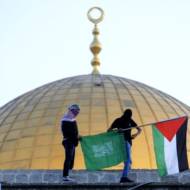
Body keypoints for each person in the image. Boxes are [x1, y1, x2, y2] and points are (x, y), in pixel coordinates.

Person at [107, 109, 141, 183]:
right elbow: (109, 131)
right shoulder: (118, 120)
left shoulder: (130, 120)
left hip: (128, 142)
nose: (129, 116)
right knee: (127, 159)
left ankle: (125, 176)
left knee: (129, 161)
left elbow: (139, 129)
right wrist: (117, 131)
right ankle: (124, 177)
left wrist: (135, 135)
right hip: (122, 142)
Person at [61, 104, 80, 182]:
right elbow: (69, 132)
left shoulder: (72, 120)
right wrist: (76, 137)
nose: (76, 113)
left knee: (71, 158)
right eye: (75, 111)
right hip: (68, 141)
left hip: (72, 141)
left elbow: (74, 132)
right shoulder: (66, 120)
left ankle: (69, 172)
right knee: (68, 158)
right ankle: (65, 176)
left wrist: (77, 137)